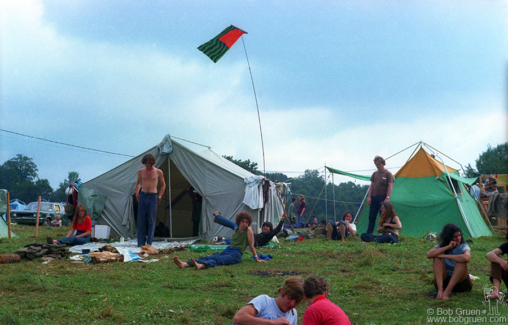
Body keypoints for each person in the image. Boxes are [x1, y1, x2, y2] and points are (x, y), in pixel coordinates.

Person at [173, 211, 266, 270]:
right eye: (243, 222)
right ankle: (185, 264)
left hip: (236, 254)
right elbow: (229, 225)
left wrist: (257, 259)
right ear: (239, 221)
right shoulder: (236, 229)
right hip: (229, 249)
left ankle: (200, 266)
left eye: (247, 222)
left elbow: (251, 245)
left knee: (218, 259)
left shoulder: (248, 230)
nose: (245, 224)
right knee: (211, 256)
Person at [426, 223, 472, 300]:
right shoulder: (441, 246)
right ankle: (440, 290)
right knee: (437, 258)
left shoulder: (463, 246)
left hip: (461, 283)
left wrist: (444, 256)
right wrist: (447, 247)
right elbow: (429, 255)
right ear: (448, 237)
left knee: (461, 261)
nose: (458, 239)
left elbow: (467, 258)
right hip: (445, 280)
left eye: (459, 235)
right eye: (455, 237)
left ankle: (447, 292)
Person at [233, 276, 304, 325]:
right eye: (290, 298)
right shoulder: (264, 301)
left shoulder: (293, 313)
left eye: (297, 301)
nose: (292, 304)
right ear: (282, 291)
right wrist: (272, 322)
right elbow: (238, 318)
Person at [135, 153, 166, 247]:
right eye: (146, 163)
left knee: (151, 221)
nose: (147, 164)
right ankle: (140, 243)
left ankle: (149, 243)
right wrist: (137, 193)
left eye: (149, 163)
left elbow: (163, 185)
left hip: (153, 196)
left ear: (152, 162)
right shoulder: (141, 171)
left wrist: (159, 196)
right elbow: (137, 183)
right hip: (143, 195)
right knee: (141, 220)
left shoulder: (158, 172)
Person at [213, 211, 287, 247]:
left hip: (253, 240)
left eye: (267, 227)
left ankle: (218, 216)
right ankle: (223, 241)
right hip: (251, 237)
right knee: (238, 238)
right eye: (264, 226)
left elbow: (277, 230)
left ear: (270, 229)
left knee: (234, 226)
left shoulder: (269, 234)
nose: (265, 227)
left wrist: (282, 220)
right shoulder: (262, 234)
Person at [367, 156, 394, 234]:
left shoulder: (388, 174)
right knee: (371, 216)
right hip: (374, 197)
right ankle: (369, 233)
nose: (377, 166)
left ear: (383, 163)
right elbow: (371, 186)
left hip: (382, 197)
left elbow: (390, 186)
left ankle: (384, 233)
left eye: (378, 164)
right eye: (376, 164)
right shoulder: (375, 174)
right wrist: (369, 197)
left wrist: (387, 198)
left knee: (383, 216)